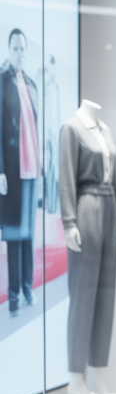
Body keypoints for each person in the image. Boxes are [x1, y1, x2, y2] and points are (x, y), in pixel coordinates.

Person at [0, 28, 41, 318]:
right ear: (8, 49)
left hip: (31, 171)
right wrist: (0, 169)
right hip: (12, 171)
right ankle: (13, 295)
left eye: (23, 48)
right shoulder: (2, 83)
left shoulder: (31, 84)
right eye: (15, 48)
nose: (20, 53)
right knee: (14, 233)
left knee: (28, 234)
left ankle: (28, 286)